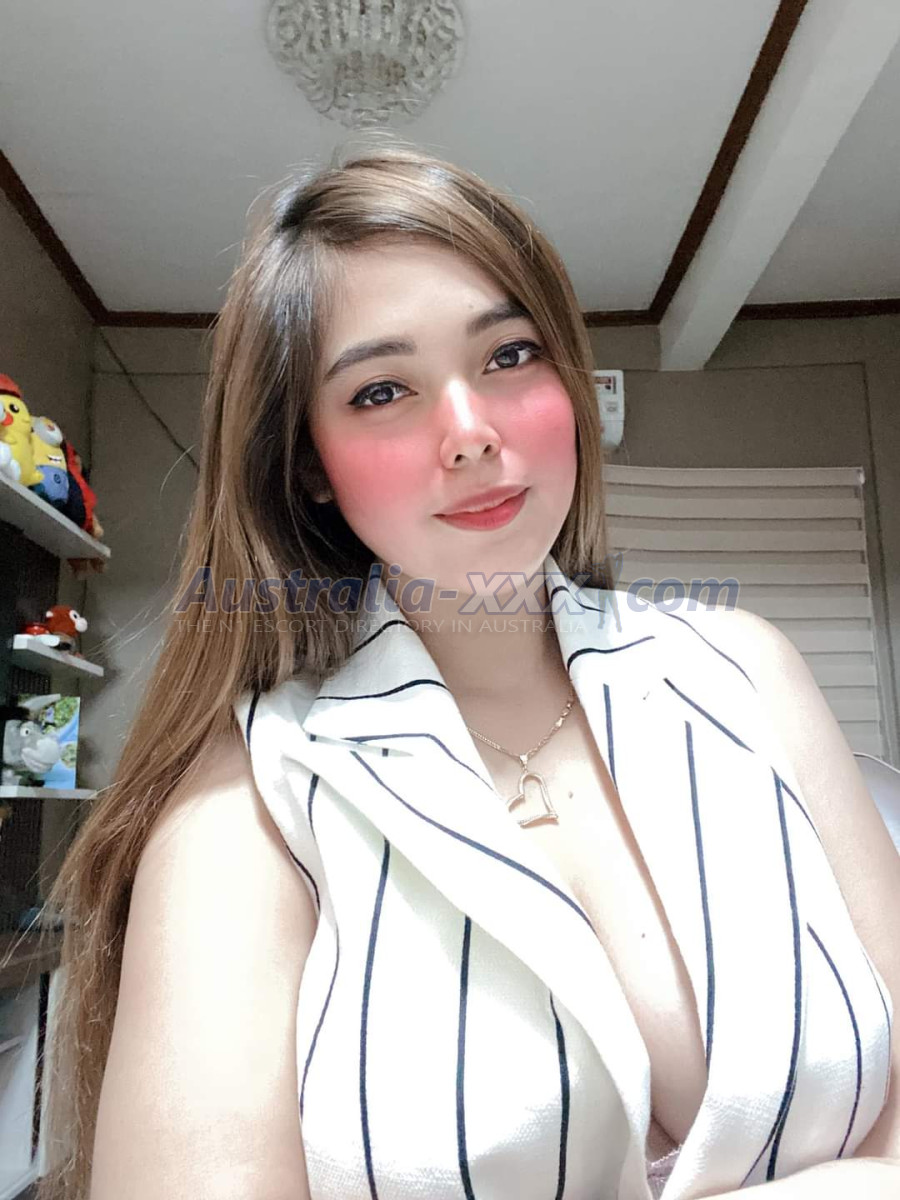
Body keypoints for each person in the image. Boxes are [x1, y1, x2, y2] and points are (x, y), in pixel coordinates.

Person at [31, 148, 899, 1200]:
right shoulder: (253, 799)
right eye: (381, 390)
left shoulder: (745, 671)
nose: (471, 433)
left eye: (510, 354)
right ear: (307, 464)